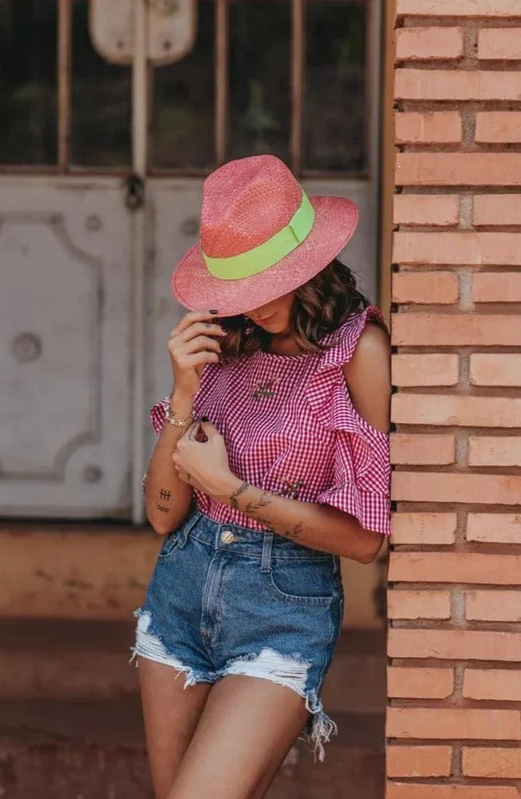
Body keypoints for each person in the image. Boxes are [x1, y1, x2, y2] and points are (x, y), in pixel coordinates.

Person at [130, 154, 392, 799]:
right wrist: (184, 393)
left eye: (267, 283)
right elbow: (164, 515)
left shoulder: (359, 352)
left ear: (310, 267)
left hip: (284, 603)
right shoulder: (224, 343)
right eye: (239, 290)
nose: (252, 304)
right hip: (181, 590)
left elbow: (366, 541)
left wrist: (231, 490)